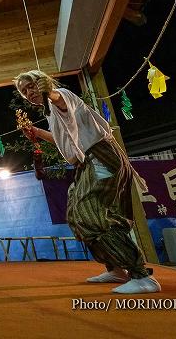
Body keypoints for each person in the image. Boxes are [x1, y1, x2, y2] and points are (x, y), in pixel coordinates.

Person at [13, 70, 161, 294]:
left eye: (31, 86)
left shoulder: (61, 95)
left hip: (100, 157)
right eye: (24, 91)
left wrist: (49, 91)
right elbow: (66, 141)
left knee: (88, 214)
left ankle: (140, 275)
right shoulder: (51, 112)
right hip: (88, 162)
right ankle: (116, 268)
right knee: (78, 213)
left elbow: (59, 99)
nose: (28, 93)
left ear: (43, 82)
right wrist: (35, 132)